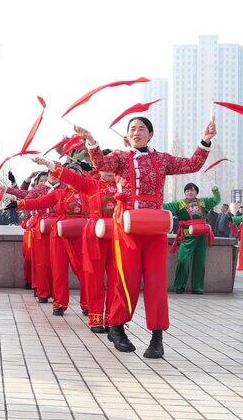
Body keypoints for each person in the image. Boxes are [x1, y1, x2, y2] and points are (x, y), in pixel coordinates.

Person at [78, 117, 215, 358]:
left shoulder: (162, 159)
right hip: (128, 226)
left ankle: (157, 338)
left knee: (156, 281)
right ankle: (118, 327)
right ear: (128, 135)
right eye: (132, 129)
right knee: (126, 278)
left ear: (150, 134)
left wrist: (205, 140)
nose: (136, 132)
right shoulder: (121, 157)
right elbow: (100, 164)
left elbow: (192, 164)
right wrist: (91, 141)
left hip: (154, 227)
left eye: (142, 128)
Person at [32, 154, 118, 333]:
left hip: (117, 236)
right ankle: (94, 317)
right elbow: (40, 200)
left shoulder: (123, 186)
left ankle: (113, 318)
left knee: (116, 279)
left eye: (113, 166)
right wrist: (49, 164)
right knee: (91, 276)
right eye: (105, 166)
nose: (108, 169)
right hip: (93, 235)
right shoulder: (90, 186)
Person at [9, 164, 88, 316]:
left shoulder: (89, 192)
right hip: (59, 233)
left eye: (74, 174)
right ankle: (59, 303)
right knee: (58, 270)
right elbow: (39, 202)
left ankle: (88, 304)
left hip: (81, 235)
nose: (71, 177)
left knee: (84, 271)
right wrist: (19, 204)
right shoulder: (59, 193)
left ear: (81, 175)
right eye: (68, 174)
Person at [164, 183, 220, 295]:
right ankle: (179, 286)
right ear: (185, 192)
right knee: (183, 261)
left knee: (200, 262)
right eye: (187, 190)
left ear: (196, 192)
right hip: (187, 236)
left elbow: (216, 200)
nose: (190, 192)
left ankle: (198, 287)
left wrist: (215, 191)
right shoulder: (179, 204)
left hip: (202, 236)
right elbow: (165, 207)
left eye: (192, 190)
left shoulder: (204, 202)